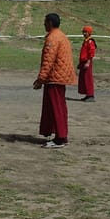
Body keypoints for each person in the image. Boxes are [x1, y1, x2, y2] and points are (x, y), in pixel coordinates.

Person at [33, 13, 77, 148]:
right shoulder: (62, 36)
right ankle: (60, 134)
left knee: (56, 107)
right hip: (60, 77)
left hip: (55, 78)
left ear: (50, 23)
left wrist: (41, 79)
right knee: (59, 107)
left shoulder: (52, 38)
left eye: (45, 22)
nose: (44, 24)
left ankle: (60, 138)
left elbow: (48, 61)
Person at [78, 25, 97, 101]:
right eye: (83, 32)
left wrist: (88, 62)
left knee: (88, 78)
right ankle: (87, 94)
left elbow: (91, 53)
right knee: (83, 79)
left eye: (86, 32)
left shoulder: (90, 41)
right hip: (83, 62)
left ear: (89, 33)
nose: (84, 33)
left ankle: (90, 95)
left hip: (87, 62)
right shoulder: (85, 41)